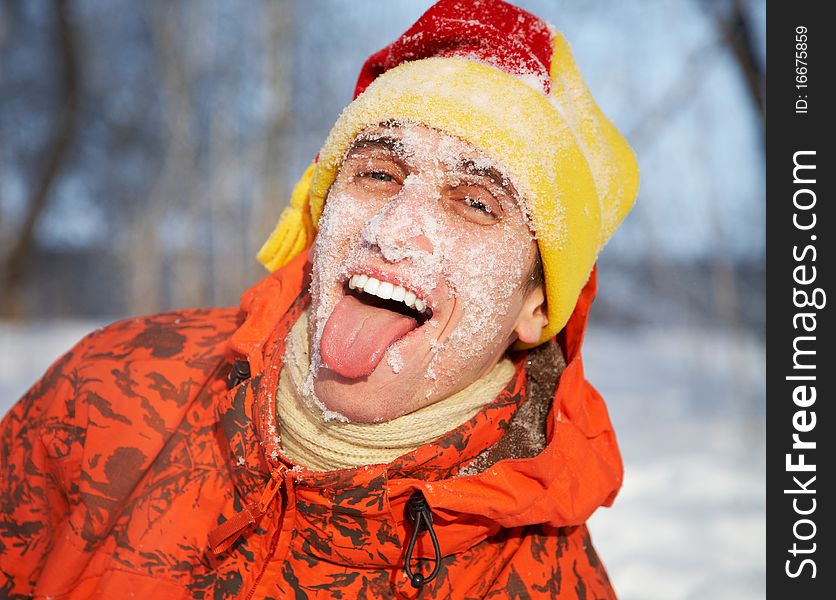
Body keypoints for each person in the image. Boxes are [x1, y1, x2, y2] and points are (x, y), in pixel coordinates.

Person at [0, 0, 639, 597]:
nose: (391, 230)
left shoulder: (546, 577)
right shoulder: (105, 390)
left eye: (475, 204)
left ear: (537, 307)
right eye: (377, 174)